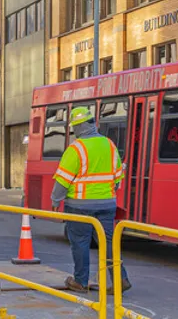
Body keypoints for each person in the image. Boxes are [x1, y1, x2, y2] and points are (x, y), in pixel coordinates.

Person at [51, 106, 131, 292]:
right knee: (108, 243)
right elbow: (118, 177)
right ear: (92, 123)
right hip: (107, 205)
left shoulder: (76, 149)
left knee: (80, 243)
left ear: (76, 128)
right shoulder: (109, 145)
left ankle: (80, 281)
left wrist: (56, 200)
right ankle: (120, 279)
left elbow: (63, 181)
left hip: (79, 206)